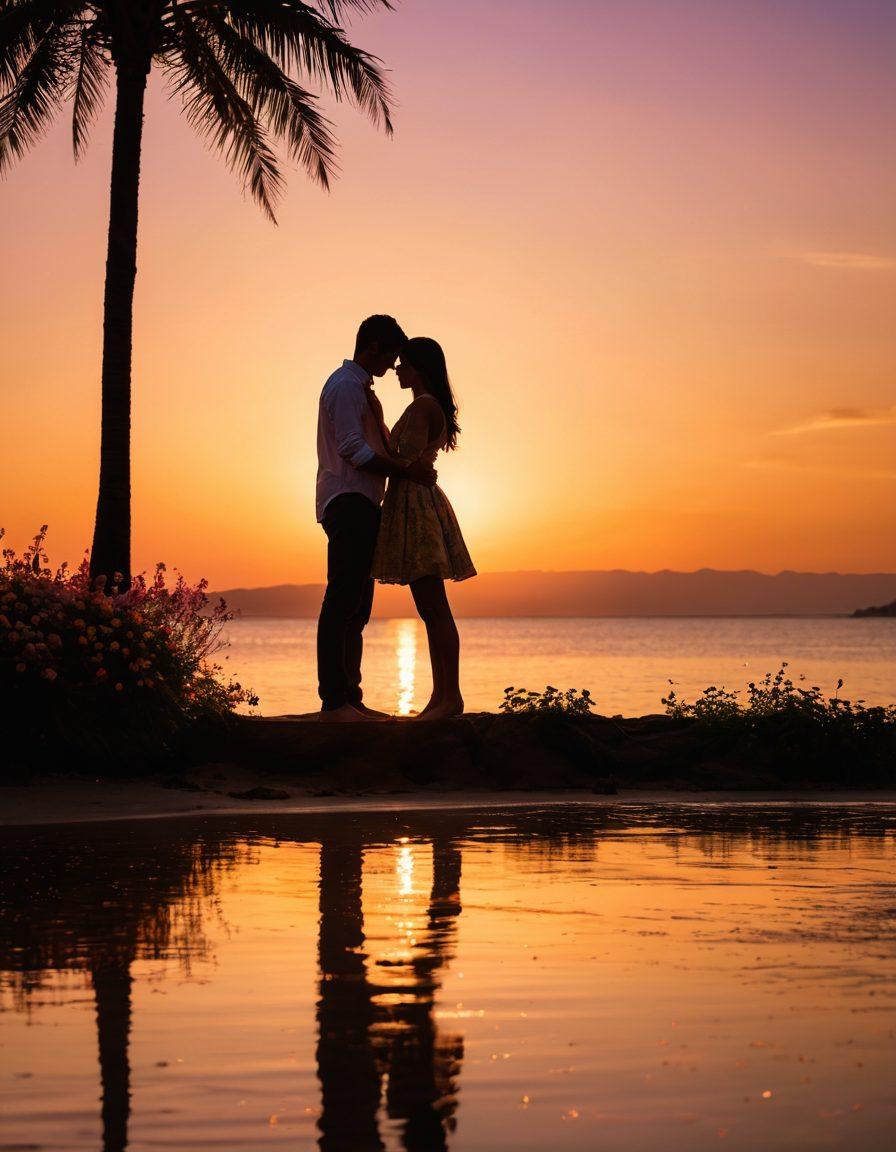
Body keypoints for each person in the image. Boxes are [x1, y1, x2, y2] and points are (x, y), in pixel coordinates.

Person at [316, 316, 435, 722]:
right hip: (348, 499)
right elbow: (353, 449)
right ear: (372, 347)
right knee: (342, 599)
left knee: (358, 606)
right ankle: (334, 701)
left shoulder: (361, 390)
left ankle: (351, 696)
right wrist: (407, 472)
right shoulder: (347, 387)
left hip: (364, 501)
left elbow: (372, 444)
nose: (392, 365)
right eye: (390, 355)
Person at [371, 337, 476, 720]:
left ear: (418, 368)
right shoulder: (423, 406)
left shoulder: (423, 408)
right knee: (430, 609)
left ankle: (451, 698)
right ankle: (441, 696)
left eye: (403, 363)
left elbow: (402, 459)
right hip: (413, 503)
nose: (397, 369)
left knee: (435, 608)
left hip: (417, 507)